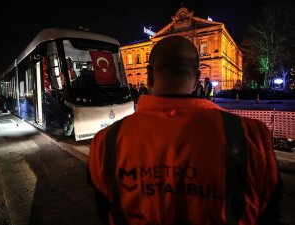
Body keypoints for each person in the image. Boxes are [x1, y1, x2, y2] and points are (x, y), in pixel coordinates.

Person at [88, 36, 281, 225]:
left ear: (149, 75)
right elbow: (268, 213)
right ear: (197, 78)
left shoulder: (107, 141)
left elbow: (107, 212)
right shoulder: (251, 136)